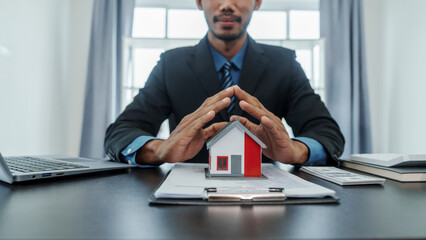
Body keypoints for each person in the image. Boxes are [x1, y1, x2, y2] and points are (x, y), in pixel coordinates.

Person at [104, 0, 344, 167]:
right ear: (199, 2)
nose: (227, 4)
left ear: (257, 2)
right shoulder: (171, 64)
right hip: (187, 205)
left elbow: (327, 133)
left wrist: (297, 151)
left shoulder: (284, 64)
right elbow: (121, 132)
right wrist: (159, 150)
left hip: (266, 201)